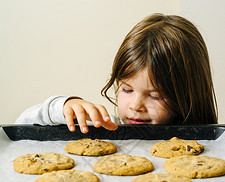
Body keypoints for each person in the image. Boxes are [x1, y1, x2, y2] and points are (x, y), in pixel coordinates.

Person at [16, 13, 218, 133]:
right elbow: (20, 126)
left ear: (188, 94)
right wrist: (62, 107)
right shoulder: (103, 128)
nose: (135, 106)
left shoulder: (207, 146)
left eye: (155, 95)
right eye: (127, 90)